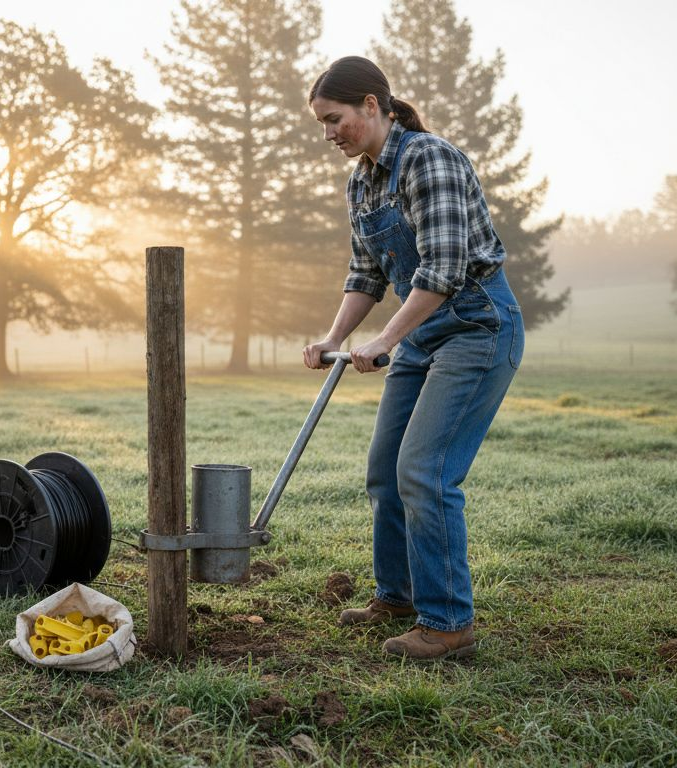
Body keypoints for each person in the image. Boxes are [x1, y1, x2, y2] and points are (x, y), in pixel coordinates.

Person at [302, 56, 523, 661]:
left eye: (334, 119)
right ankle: (397, 596)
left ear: (372, 105)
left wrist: (383, 341)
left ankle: (449, 624)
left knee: (424, 471)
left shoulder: (431, 159)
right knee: (385, 472)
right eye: (322, 124)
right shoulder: (362, 180)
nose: (329, 134)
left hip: (477, 327)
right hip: (423, 335)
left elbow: (444, 272)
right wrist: (333, 338)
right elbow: (366, 274)